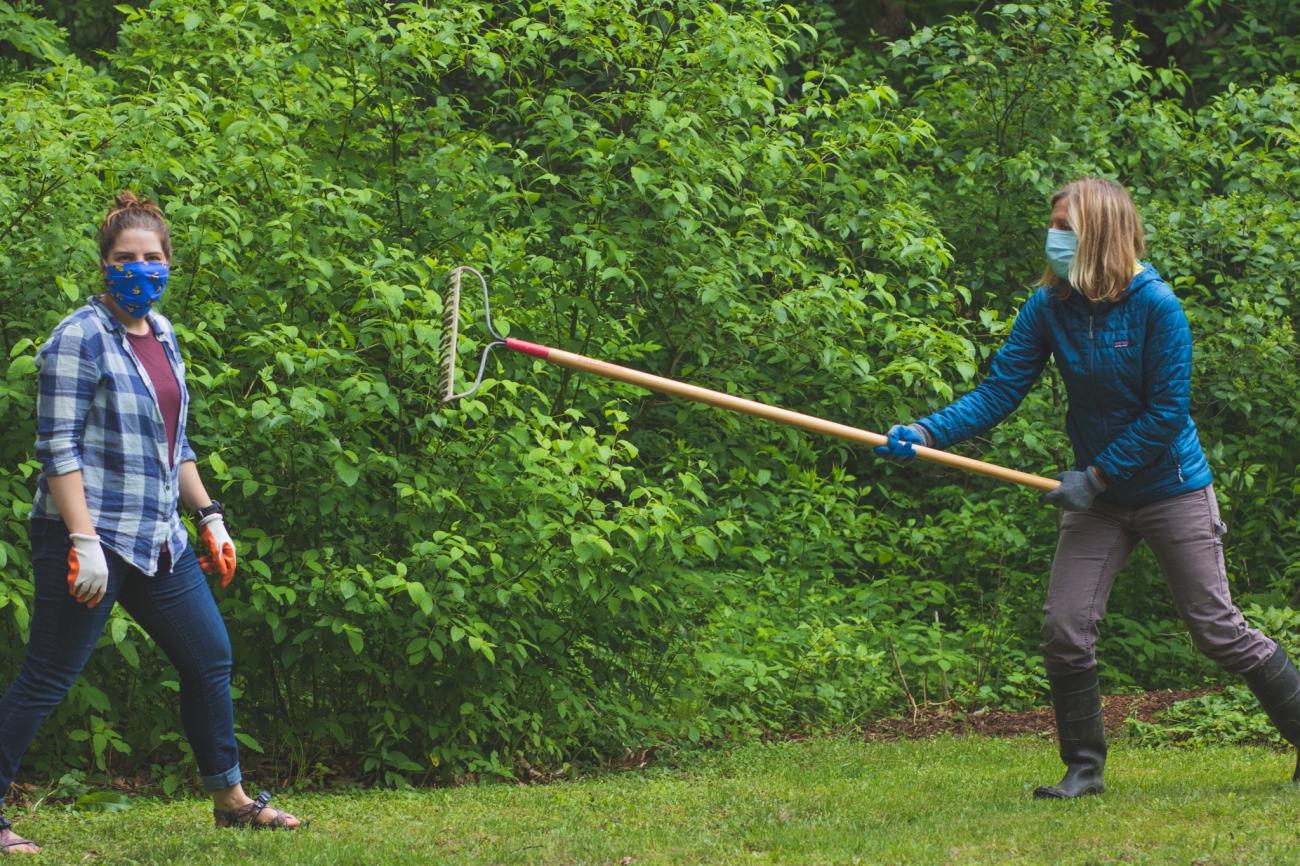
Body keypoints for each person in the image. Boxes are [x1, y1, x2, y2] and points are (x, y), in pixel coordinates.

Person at [876, 176, 1300, 798]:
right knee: (1065, 627)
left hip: (1169, 488)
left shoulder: (1158, 306)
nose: (1053, 239)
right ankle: (1083, 769)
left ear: (1100, 233)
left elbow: (1166, 413)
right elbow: (1000, 390)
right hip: (1097, 500)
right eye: (1052, 226)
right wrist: (927, 431)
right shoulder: (1050, 306)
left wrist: (1097, 475)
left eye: (1065, 229)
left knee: (1217, 629)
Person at [0, 192, 301, 854]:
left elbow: (176, 445)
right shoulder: (77, 337)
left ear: (169, 264)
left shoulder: (163, 335)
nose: (140, 269)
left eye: (152, 258)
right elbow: (58, 449)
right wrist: (83, 539)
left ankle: (231, 801)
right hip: (89, 536)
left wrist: (210, 515)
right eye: (124, 258)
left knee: (208, 657)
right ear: (104, 266)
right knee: (48, 677)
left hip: (156, 538)